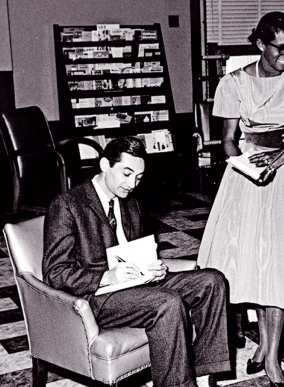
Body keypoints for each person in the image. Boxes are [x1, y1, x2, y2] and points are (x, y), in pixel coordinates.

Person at [197, 11, 284, 387]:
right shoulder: (234, 82)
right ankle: (263, 345)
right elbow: (226, 139)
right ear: (259, 44)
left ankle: (271, 355)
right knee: (253, 262)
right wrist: (243, 163)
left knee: (281, 264)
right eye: (279, 49)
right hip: (248, 174)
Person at [42, 136, 230, 387]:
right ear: (105, 165)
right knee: (168, 302)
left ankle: (206, 374)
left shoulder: (130, 203)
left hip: (133, 288)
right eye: (126, 173)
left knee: (212, 280)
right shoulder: (66, 205)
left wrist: (153, 268)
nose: (132, 184)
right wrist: (106, 277)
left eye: (139, 178)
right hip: (95, 296)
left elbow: (134, 252)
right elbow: (55, 273)